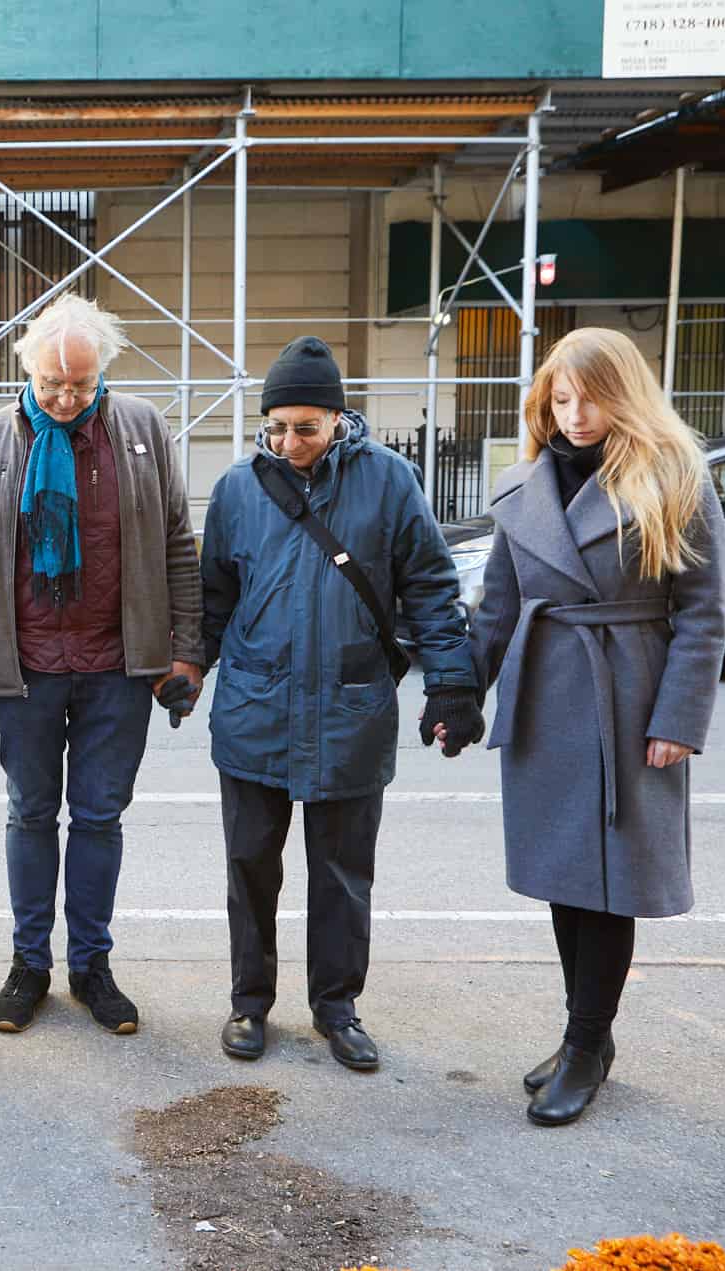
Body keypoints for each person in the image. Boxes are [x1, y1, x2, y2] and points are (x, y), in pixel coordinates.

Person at [200, 335, 484, 1073]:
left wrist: (451, 683)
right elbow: (211, 596)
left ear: (337, 420)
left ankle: (336, 1008)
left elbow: (427, 584)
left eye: (305, 426)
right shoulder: (237, 488)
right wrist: (184, 667)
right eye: (276, 427)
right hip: (254, 710)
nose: (288, 442)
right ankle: (248, 1001)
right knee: (249, 866)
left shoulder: (389, 482)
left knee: (341, 875)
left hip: (348, 712)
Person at [467, 327, 725, 1126]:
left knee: (608, 883)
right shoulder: (522, 488)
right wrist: (458, 694)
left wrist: (677, 719)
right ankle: (588, 1035)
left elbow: (701, 614)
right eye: (561, 397)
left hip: (626, 697)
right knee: (563, 875)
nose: (574, 414)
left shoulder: (672, 477)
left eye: (591, 397)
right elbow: (499, 609)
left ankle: (585, 1044)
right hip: (547, 695)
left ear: (625, 395)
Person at [0, 293, 204, 1036]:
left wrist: (184, 650)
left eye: (81, 386)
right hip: (23, 665)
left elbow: (175, 544)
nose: (65, 398)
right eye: (52, 382)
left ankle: (92, 964)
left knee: (98, 817)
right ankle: (29, 963)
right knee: (29, 815)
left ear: (102, 377)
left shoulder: (142, 430)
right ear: (24, 367)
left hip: (116, 667)